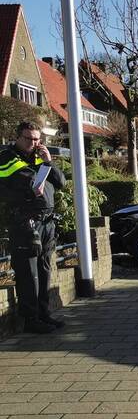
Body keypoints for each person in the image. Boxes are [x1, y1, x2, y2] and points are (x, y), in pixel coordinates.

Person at [0, 122, 67, 333]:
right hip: (24, 222)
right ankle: (31, 319)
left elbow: (61, 182)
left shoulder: (40, 157)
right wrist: (27, 194)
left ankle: (44, 313)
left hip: (46, 222)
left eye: (37, 139)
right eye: (29, 139)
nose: (34, 143)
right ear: (17, 137)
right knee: (28, 273)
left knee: (44, 269)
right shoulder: (6, 158)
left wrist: (49, 162)